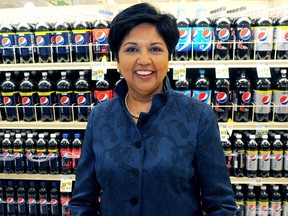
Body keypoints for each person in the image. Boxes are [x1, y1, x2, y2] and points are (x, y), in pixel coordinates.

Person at [69, 3, 237, 215]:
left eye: (155, 49)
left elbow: (221, 205)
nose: (144, 60)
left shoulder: (198, 116)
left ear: (169, 57)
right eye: (131, 49)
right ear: (117, 61)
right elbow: (82, 201)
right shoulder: (100, 117)